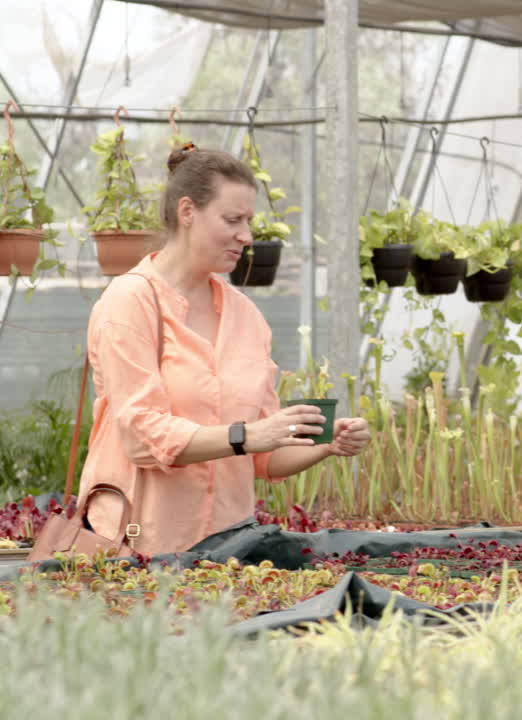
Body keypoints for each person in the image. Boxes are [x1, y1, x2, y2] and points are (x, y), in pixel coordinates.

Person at [81, 143, 371, 555]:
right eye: (232, 219)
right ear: (187, 212)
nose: (247, 236)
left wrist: (326, 443)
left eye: (249, 221)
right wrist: (247, 435)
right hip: (140, 544)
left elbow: (265, 457)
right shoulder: (130, 302)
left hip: (229, 547)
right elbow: (142, 437)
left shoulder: (246, 316)